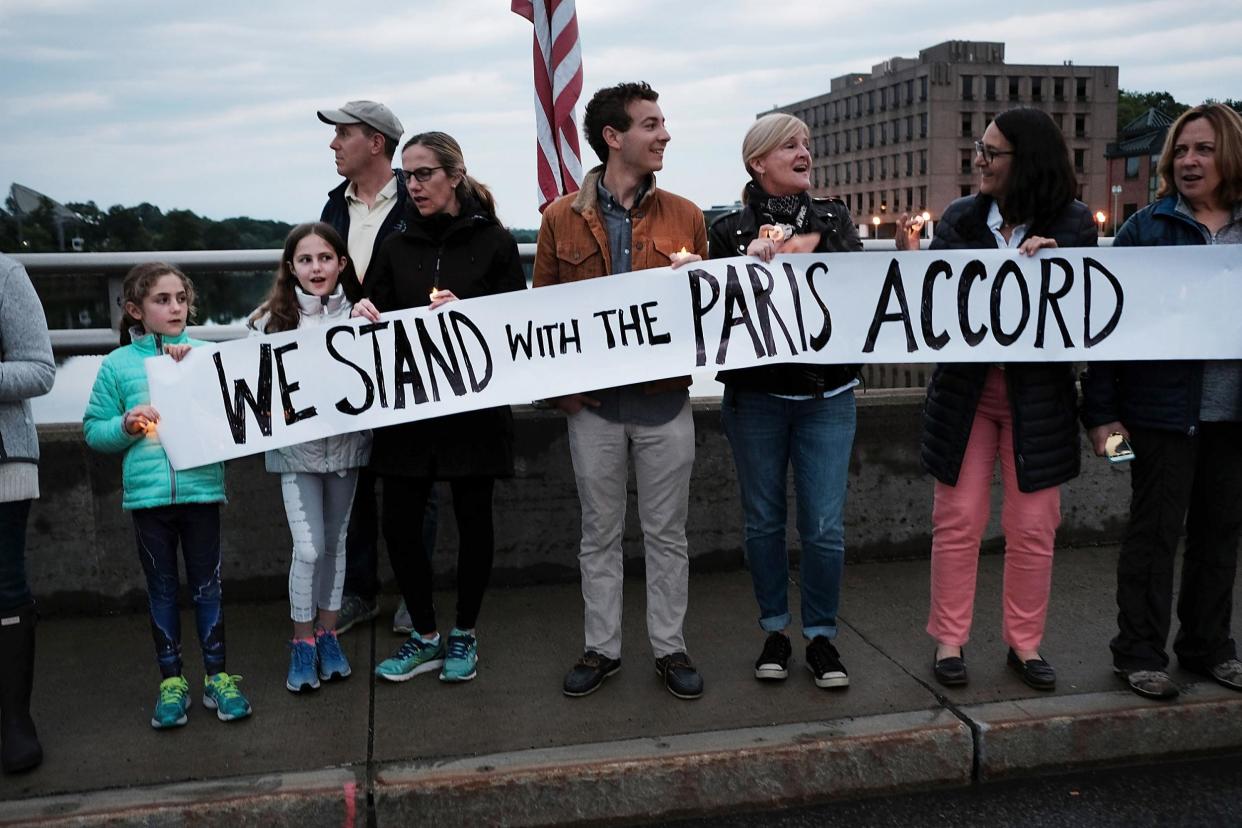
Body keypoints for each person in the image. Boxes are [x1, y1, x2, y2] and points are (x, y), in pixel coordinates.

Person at [895, 107, 1096, 690]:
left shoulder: (1076, 223)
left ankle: (1025, 643)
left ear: (1025, 161)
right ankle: (949, 640)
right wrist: (915, 261)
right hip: (967, 395)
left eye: (991, 153)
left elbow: (1088, 310)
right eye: (977, 150)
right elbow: (928, 299)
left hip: (1039, 400)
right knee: (957, 517)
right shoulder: (960, 218)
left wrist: (1059, 262)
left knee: (1034, 524)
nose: (978, 161)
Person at [533, 81, 708, 700]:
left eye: (663, 122)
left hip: (665, 406)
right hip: (596, 413)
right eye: (651, 124)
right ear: (614, 137)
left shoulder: (687, 215)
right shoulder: (560, 217)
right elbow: (542, 314)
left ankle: (671, 648)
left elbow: (707, 316)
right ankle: (601, 648)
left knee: (668, 535)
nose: (664, 134)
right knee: (598, 534)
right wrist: (563, 395)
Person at [1082, 102, 1242, 701]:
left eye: (1202, 149)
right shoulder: (1143, 230)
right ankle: (1139, 654)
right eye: (1180, 150)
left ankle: (1208, 648)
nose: (1189, 161)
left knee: (1220, 534)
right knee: (1153, 535)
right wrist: (1101, 414)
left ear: (1229, 155)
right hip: (1157, 416)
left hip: (1232, 417)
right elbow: (1107, 331)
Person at [707, 113, 862, 689]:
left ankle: (821, 637)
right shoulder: (726, 230)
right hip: (756, 399)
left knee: (823, 525)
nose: (805, 154)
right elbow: (712, 311)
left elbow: (856, 289)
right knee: (764, 522)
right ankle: (774, 628)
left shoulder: (835, 217)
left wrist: (803, 250)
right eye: (791, 146)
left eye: (807, 145)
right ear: (759, 162)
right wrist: (732, 268)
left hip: (828, 394)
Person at [366, 131, 525, 684]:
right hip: (407, 410)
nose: (414, 186)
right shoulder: (395, 243)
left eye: (424, 174)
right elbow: (373, 310)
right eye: (406, 177)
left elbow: (516, 325)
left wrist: (471, 312)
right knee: (400, 525)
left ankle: (464, 633)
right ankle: (425, 635)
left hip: (473, 411)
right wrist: (365, 310)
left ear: (455, 176)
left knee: (473, 522)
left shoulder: (496, 242)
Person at [83, 263, 253, 728]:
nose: (175, 307)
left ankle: (218, 678)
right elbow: (94, 432)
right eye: (162, 300)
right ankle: (171, 682)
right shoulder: (117, 366)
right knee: (161, 590)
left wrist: (197, 379)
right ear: (136, 310)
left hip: (200, 492)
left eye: (181, 298)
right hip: (149, 501)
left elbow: (236, 416)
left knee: (208, 587)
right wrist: (125, 425)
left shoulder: (205, 354)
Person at [317, 99, 434, 636]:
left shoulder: (417, 200)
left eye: (344, 135)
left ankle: (415, 596)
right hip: (348, 371)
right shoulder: (332, 207)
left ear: (376, 143)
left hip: (409, 367)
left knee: (415, 485)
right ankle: (360, 592)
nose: (334, 144)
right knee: (352, 487)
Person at [249, 223, 378, 693]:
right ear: (291, 268)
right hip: (296, 455)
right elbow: (236, 379)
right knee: (309, 549)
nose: (316, 268)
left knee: (336, 543)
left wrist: (370, 327)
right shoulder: (268, 321)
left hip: (346, 448)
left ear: (342, 263)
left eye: (325, 258)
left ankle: (326, 634)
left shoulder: (360, 314)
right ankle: (301, 641)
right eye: (305, 260)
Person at [0, 255, 54, 773]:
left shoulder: (5, 275)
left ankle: (14, 718)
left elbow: (40, 369)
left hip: (2, 464)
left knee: (5, 586)